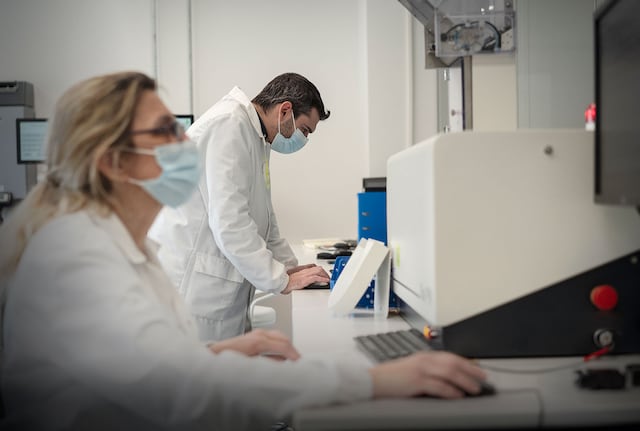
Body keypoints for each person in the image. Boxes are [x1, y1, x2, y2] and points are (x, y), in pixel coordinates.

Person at [0, 71, 488, 430]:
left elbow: (143, 365)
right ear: (111, 162)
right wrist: (375, 382)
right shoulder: (77, 262)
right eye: (165, 134)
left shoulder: (117, 246)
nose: (185, 144)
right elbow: (181, 385)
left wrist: (223, 350)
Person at [149, 73, 332, 342]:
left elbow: (266, 219)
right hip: (194, 293)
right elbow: (230, 223)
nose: (303, 139)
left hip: (218, 290)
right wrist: (280, 279)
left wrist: (290, 268)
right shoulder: (229, 125)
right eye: (305, 130)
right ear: (285, 110)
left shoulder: (257, 137)